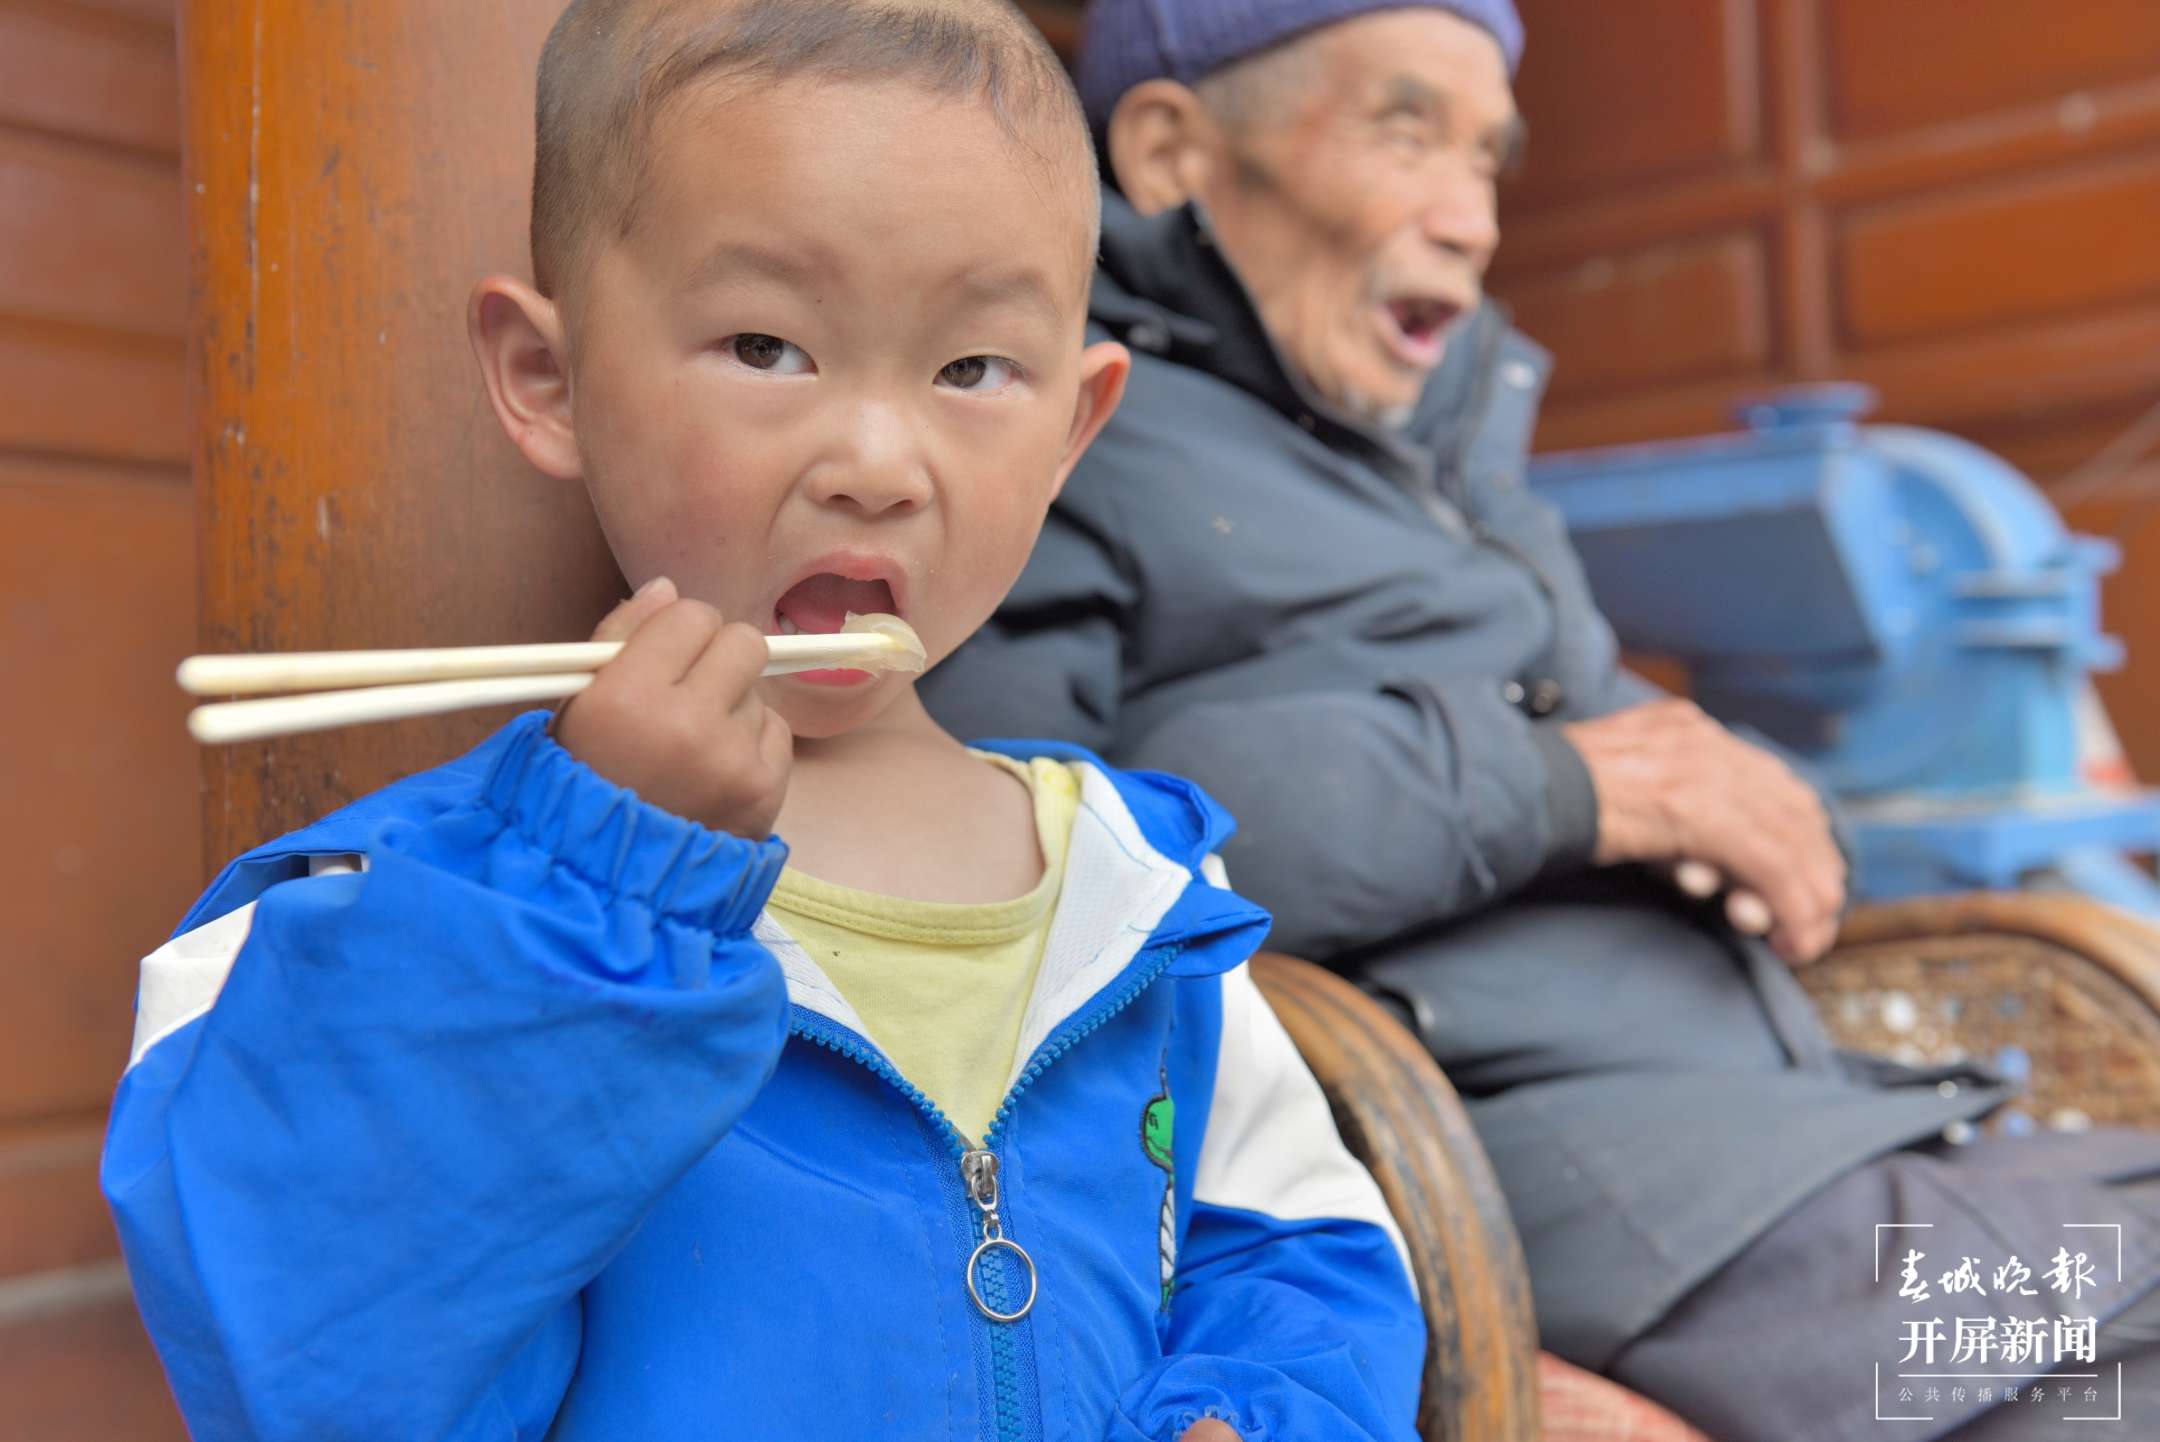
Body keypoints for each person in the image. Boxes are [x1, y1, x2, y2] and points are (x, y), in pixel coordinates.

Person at [99, 4, 1425, 1439]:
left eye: (974, 368)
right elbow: (294, 1349)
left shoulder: (1148, 886)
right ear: (548, 382)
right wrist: (594, 881)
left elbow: (1304, 1250)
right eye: (767, 344)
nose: (876, 460)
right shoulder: (371, 913)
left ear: (1073, 431)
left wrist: (1251, 1410)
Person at [918, 2, 2160, 1438]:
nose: (1475, 222)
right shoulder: (1070, 442)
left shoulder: (1449, 458)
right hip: (1592, 1205)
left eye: (1490, 159)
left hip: (1814, 1140)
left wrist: (1733, 801)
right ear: (1170, 149)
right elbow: (1021, 853)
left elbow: (1662, 757)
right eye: (1406, 132)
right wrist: (1566, 784)